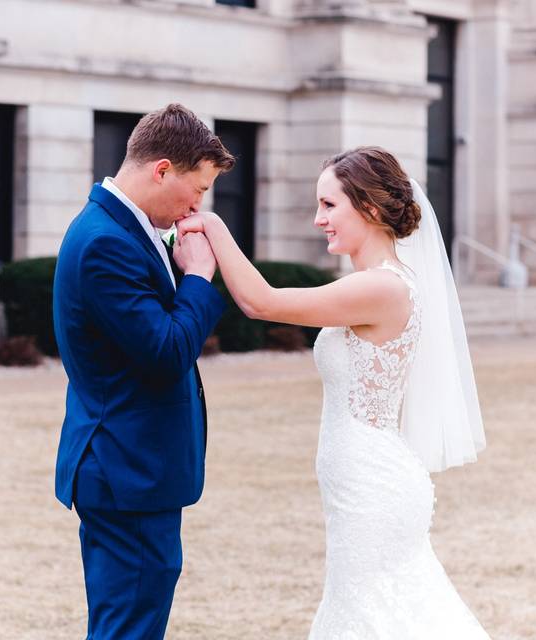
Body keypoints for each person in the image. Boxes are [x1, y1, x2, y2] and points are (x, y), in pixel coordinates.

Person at [176, 146, 489, 638]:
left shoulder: (384, 289)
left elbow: (262, 302)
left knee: (370, 618)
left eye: (328, 205)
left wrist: (213, 227)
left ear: (367, 206)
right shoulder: (372, 283)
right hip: (359, 487)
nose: (318, 219)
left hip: (374, 489)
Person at [52, 103, 234, 639]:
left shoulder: (119, 229)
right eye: (197, 188)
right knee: (127, 627)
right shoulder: (106, 242)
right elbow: (165, 351)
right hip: (124, 470)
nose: (198, 203)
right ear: (162, 170)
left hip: (132, 469)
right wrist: (199, 277)